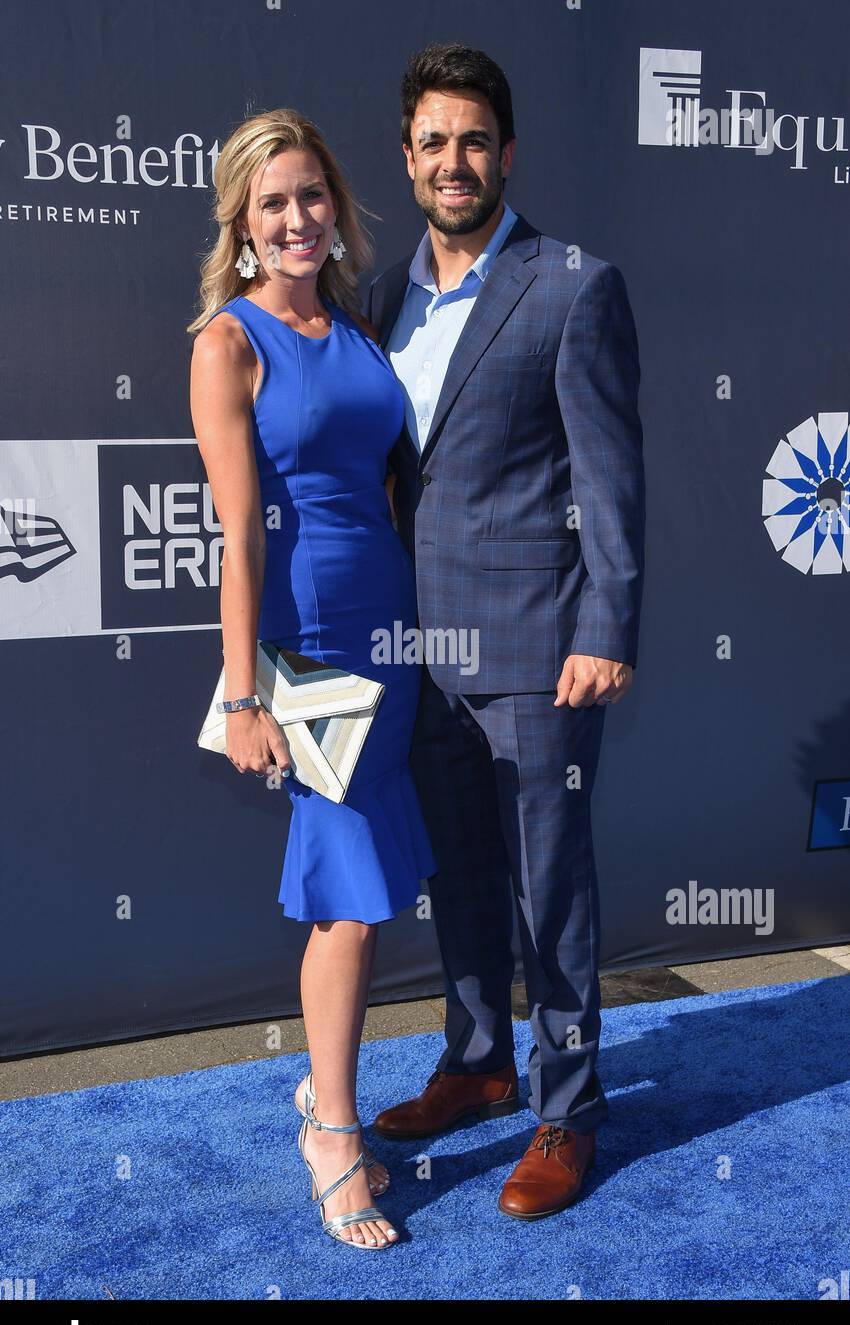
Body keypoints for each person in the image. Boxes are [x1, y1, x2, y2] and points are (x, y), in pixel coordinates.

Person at [368, 43, 646, 1219]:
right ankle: (480, 1063)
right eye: (432, 140)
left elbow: (612, 475)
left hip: (539, 648)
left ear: (506, 153)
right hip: (423, 653)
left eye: (473, 139)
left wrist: (607, 624)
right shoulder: (386, 295)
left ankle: (566, 1111)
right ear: (407, 156)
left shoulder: (573, 284)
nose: (453, 160)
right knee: (463, 880)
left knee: (552, 892)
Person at [188, 108, 437, 1250]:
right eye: (273, 202)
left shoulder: (360, 327)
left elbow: (386, 484)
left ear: (336, 206)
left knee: (369, 882)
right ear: (242, 223)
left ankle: (323, 1094)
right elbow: (237, 536)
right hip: (306, 642)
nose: (297, 218)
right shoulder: (228, 344)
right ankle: (332, 1130)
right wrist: (243, 695)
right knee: (345, 897)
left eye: (312, 196)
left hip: (390, 627)